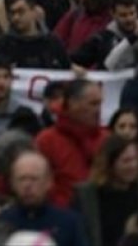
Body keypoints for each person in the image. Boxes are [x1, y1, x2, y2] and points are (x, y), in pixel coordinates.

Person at [33, 79, 107, 208]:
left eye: (100, 104)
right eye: (93, 104)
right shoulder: (46, 141)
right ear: (73, 103)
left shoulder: (106, 139)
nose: (98, 110)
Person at [71, 135, 138, 246]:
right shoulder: (85, 195)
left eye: (135, 160)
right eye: (126, 161)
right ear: (109, 164)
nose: (133, 166)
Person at [0, 151, 90, 246]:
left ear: (49, 182)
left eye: (34, 179)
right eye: (21, 179)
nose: (27, 185)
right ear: (12, 183)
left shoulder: (69, 223)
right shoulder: (1, 222)